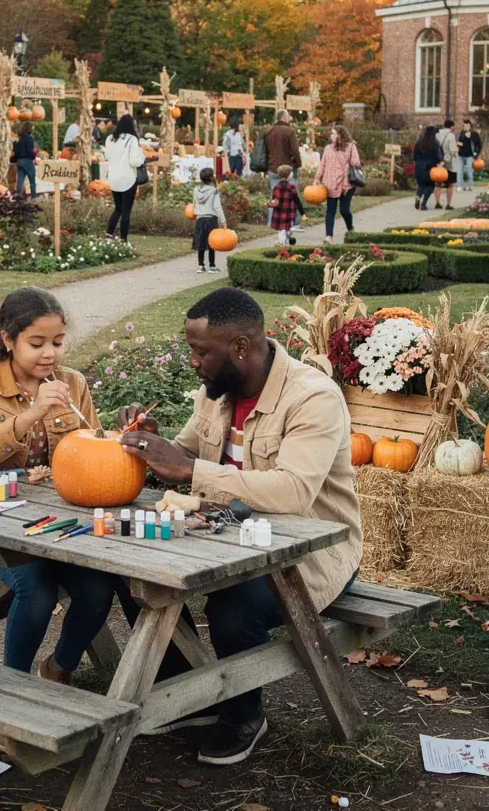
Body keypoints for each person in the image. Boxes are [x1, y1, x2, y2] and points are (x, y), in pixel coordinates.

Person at [115, 287, 361, 766]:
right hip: (228, 538)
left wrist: (190, 471)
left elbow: (292, 492)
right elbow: (184, 450)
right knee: (133, 569)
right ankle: (188, 693)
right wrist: (148, 443)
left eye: (200, 351)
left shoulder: (313, 398)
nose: (193, 361)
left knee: (234, 607)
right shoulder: (218, 392)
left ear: (241, 348)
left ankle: (243, 716)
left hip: (309, 552)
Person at [0, 288, 116, 733]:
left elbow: (94, 450)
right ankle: (13, 693)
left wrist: (122, 440)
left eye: (58, 342)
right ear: (8, 340)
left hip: (58, 520)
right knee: (37, 589)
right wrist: (26, 418)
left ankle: (58, 669)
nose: (50, 354)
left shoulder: (74, 384)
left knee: (99, 587)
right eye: (37, 343)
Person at [315, 125, 361, 244]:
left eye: (333, 133)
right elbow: (322, 164)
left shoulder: (351, 147)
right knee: (330, 210)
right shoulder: (328, 148)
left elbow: (356, 163)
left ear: (340, 135)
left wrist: (351, 156)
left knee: (344, 210)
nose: (331, 135)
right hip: (331, 184)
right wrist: (317, 178)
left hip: (347, 185)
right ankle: (328, 236)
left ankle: (350, 228)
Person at [104, 113, 146, 243]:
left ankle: (109, 235)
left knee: (118, 208)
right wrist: (142, 157)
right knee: (126, 211)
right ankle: (123, 238)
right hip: (128, 178)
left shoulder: (110, 139)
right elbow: (134, 161)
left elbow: (107, 156)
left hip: (114, 178)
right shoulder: (132, 139)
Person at [264, 110, 301, 229]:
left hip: (273, 169)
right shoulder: (289, 131)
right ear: (284, 118)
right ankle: (294, 224)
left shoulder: (268, 131)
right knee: (293, 196)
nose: (290, 120)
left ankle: (271, 224)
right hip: (288, 169)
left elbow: (264, 151)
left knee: (275, 197)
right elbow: (295, 150)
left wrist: (266, 167)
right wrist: (298, 164)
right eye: (289, 118)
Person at [192, 167, 227, 274]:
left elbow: (194, 204)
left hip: (200, 219)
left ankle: (200, 265)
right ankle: (212, 265)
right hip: (211, 219)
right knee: (212, 242)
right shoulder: (213, 191)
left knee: (201, 243)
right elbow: (217, 207)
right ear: (211, 178)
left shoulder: (196, 190)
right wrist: (223, 220)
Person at [268, 163, 304, 246]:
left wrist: (268, 204)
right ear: (288, 175)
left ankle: (283, 242)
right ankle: (283, 243)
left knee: (282, 229)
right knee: (286, 228)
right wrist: (302, 212)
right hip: (289, 212)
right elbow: (296, 200)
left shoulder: (276, 187)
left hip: (279, 213)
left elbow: (275, 201)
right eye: (291, 172)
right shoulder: (291, 187)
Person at [413, 124, 444, 211]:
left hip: (419, 167)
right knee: (430, 186)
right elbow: (439, 157)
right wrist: (441, 162)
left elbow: (414, 156)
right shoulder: (435, 143)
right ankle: (424, 203)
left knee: (421, 185)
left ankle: (418, 197)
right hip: (430, 168)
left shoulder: (419, 142)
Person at [434, 119, 459, 209]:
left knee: (438, 183)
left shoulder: (436, 135)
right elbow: (452, 151)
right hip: (449, 164)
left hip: (438, 163)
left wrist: (439, 162)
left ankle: (437, 203)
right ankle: (448, 204)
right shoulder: (451, 136)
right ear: (451, 126)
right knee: (450, 184)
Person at [457, 117, 482, 191]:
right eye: (464, 126)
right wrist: (458, 144)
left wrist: (477, 154)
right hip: (461, 155)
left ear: (470, 127)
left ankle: (470, 186)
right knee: (460, 172)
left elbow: (479, 144)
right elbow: (459, 142)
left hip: (469, 156)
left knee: (469, 171)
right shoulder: (461, 133)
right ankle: (460, 186)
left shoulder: (474, 134)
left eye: (467, 126)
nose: (465, 127)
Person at [14, 121, 38, 197]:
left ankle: (18, 197)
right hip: (27, 161)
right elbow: (29, 151)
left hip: (19, 161)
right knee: (32, 181)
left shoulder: (19, 139)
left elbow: (16, 152)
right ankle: (33, 197)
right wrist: (34, 154)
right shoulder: (29, 138)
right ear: (29, 128)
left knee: (20, 181)